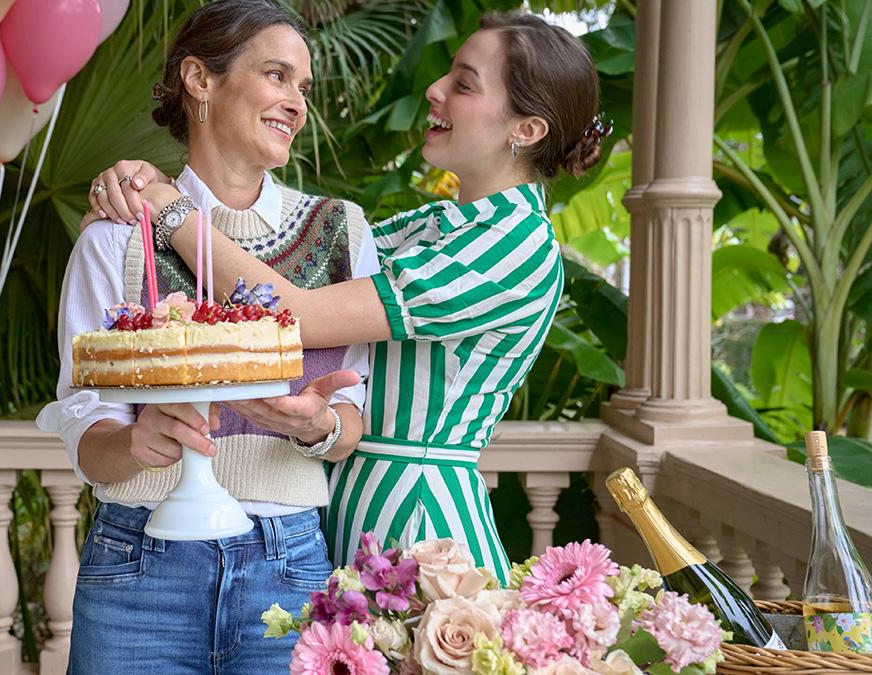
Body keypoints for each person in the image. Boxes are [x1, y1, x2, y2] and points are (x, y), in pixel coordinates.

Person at [95, 11, 606, 582]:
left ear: (527, 130)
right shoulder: (439, 223)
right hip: (340, 512)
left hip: (418, 527)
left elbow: (295, 312)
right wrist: (140, 184)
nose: (434, 90)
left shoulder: (510, 245)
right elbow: (287, 255)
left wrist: (169, 210)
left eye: (464, 84)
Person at [36, 1, 378, 672]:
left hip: (289, 566)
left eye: (302, 87)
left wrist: (315, 427)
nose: (296, 103)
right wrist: (134, 443)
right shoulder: (115, 236)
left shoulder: (343, 232)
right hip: (139, 569)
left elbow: (351, 417)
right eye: (277, 75)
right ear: (199, 79)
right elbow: (86, 434)